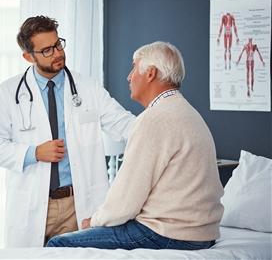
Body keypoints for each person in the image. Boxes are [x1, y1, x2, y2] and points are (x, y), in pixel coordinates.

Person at [46, 41, 224, 250]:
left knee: (58, 243)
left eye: (134, 68)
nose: (129, 77)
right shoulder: (187, 113)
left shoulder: (154, 119)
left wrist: (94, 221)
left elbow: (125, 202)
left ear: (150, 73)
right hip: (201, 233)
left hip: (167, 233)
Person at [0, 16, 135, 247]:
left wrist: (161, 122)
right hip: (33, 204)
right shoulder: (8, 92)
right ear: (28, 57)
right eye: (46, 50)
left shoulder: (88, 88)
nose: (57, 53)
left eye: (58, 44)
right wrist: (33, 153)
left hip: (79, 202)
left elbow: (124, 124)